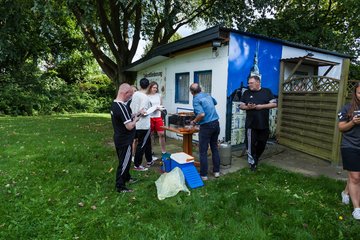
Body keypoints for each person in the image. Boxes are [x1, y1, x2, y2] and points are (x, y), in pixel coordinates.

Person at [239, 75, 277, 171]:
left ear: (258, 82)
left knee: (262, 143)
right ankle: (252, 163)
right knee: (250, 145)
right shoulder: (247, 93)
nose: (249, 85)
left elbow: (274, 104)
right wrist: (248, 107)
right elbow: (241, 106)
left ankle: (256, 157)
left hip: (263, 123)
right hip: (251, 124)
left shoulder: (267, 91)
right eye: (248, 83)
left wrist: (261, 106)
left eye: (251, 83)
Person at [110, 83, 141, 193]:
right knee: (124, 163)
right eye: (130, 95)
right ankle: (120, 186)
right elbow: (129, 126)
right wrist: (136, 120)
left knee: (126, 161)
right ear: (125, 93)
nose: (131, 97)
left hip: (119, 138)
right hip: (124, 140)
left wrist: (137, 114)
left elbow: (125, 117)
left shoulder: (115, 104)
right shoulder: (121, 106)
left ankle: (127, 177)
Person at [338, 81, 360, 220]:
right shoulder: (347, 108)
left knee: (356, 176)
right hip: (350, 145)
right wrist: (353, 122)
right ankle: (357, 208)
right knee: (356, 177)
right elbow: (341, 128)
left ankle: (346, 192)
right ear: (355, 93)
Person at [189, 83, 221, 181]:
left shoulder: (196, 99)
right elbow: (215, 103)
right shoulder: (207, 95)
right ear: (200, 89)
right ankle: (216, 172)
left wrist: (194, 121)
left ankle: (203, 175)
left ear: (191, 92)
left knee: (203, 151)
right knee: (214, 148)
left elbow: (201, 114)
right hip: (216, 124)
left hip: (206, 126)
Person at [130, 78, 154, 171]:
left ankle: (149, 160)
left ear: (140, 85)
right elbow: (143, 111)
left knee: (147, 142)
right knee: (142, 144)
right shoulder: (145, 97)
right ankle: (137, 165)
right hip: (143, 125)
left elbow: (132, 107)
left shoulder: (135, 94)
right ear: (148, 86)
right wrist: (153, 109)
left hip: (135, 122)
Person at [147, 81, 167, 157]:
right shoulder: (147, 96)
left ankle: (164, 151)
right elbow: (146, 108)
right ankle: (151, 151)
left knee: (161, 134)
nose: (155, 89)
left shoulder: (159, 95)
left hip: (158, 116)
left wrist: (160, 108)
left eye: (156, 87)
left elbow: (161, 105)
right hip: (150, 117)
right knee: (151, 135)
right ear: (150, 87)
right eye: (153, 87)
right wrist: (153, 109)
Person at [130, 85, 139, 159]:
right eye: (133, 91)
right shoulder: (128, 101)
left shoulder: (138, 100)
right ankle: (132, 154)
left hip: (138, 121)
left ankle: (134, 153)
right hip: (131, 122)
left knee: (136, 139)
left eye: (136, 91)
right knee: (133, 139)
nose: (134, 92)